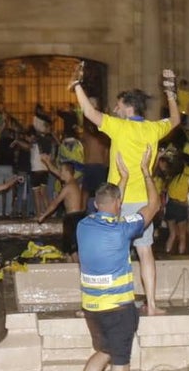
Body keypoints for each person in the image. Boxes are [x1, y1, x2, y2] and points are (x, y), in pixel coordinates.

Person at [71, 62, 180, 316]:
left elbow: (88, 111)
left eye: (119, 105)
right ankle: (151, 305)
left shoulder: (119, 126)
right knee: (145, 252)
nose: (116, 109)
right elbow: (175, 119)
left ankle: (100, 305)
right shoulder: (153, 128)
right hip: (144, 202)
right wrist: (171, 94)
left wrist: (76, 85)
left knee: (107, 251)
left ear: (129, 108)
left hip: (116, 202)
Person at [64, 148, 160, 371]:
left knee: (104, 350)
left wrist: (123, 179)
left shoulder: (83, 225)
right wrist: (145, 173)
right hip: (118, 310)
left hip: (92, 308)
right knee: (120, 362)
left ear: (95, 204)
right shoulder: (123, 228)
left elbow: (110, 205)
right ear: (118, 204)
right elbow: (153, 206)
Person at [36, 154, 86, 261]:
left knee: (73, 250)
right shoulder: (72, 182)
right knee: (68, 250)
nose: (60, 173)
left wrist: (43, 216)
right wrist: (47, 162)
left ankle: (79, 274)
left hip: (73, 219)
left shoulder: (68, 187)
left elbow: (55, 203)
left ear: (67, 172)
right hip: (73, 218)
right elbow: (54, 171)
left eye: (62, 171)